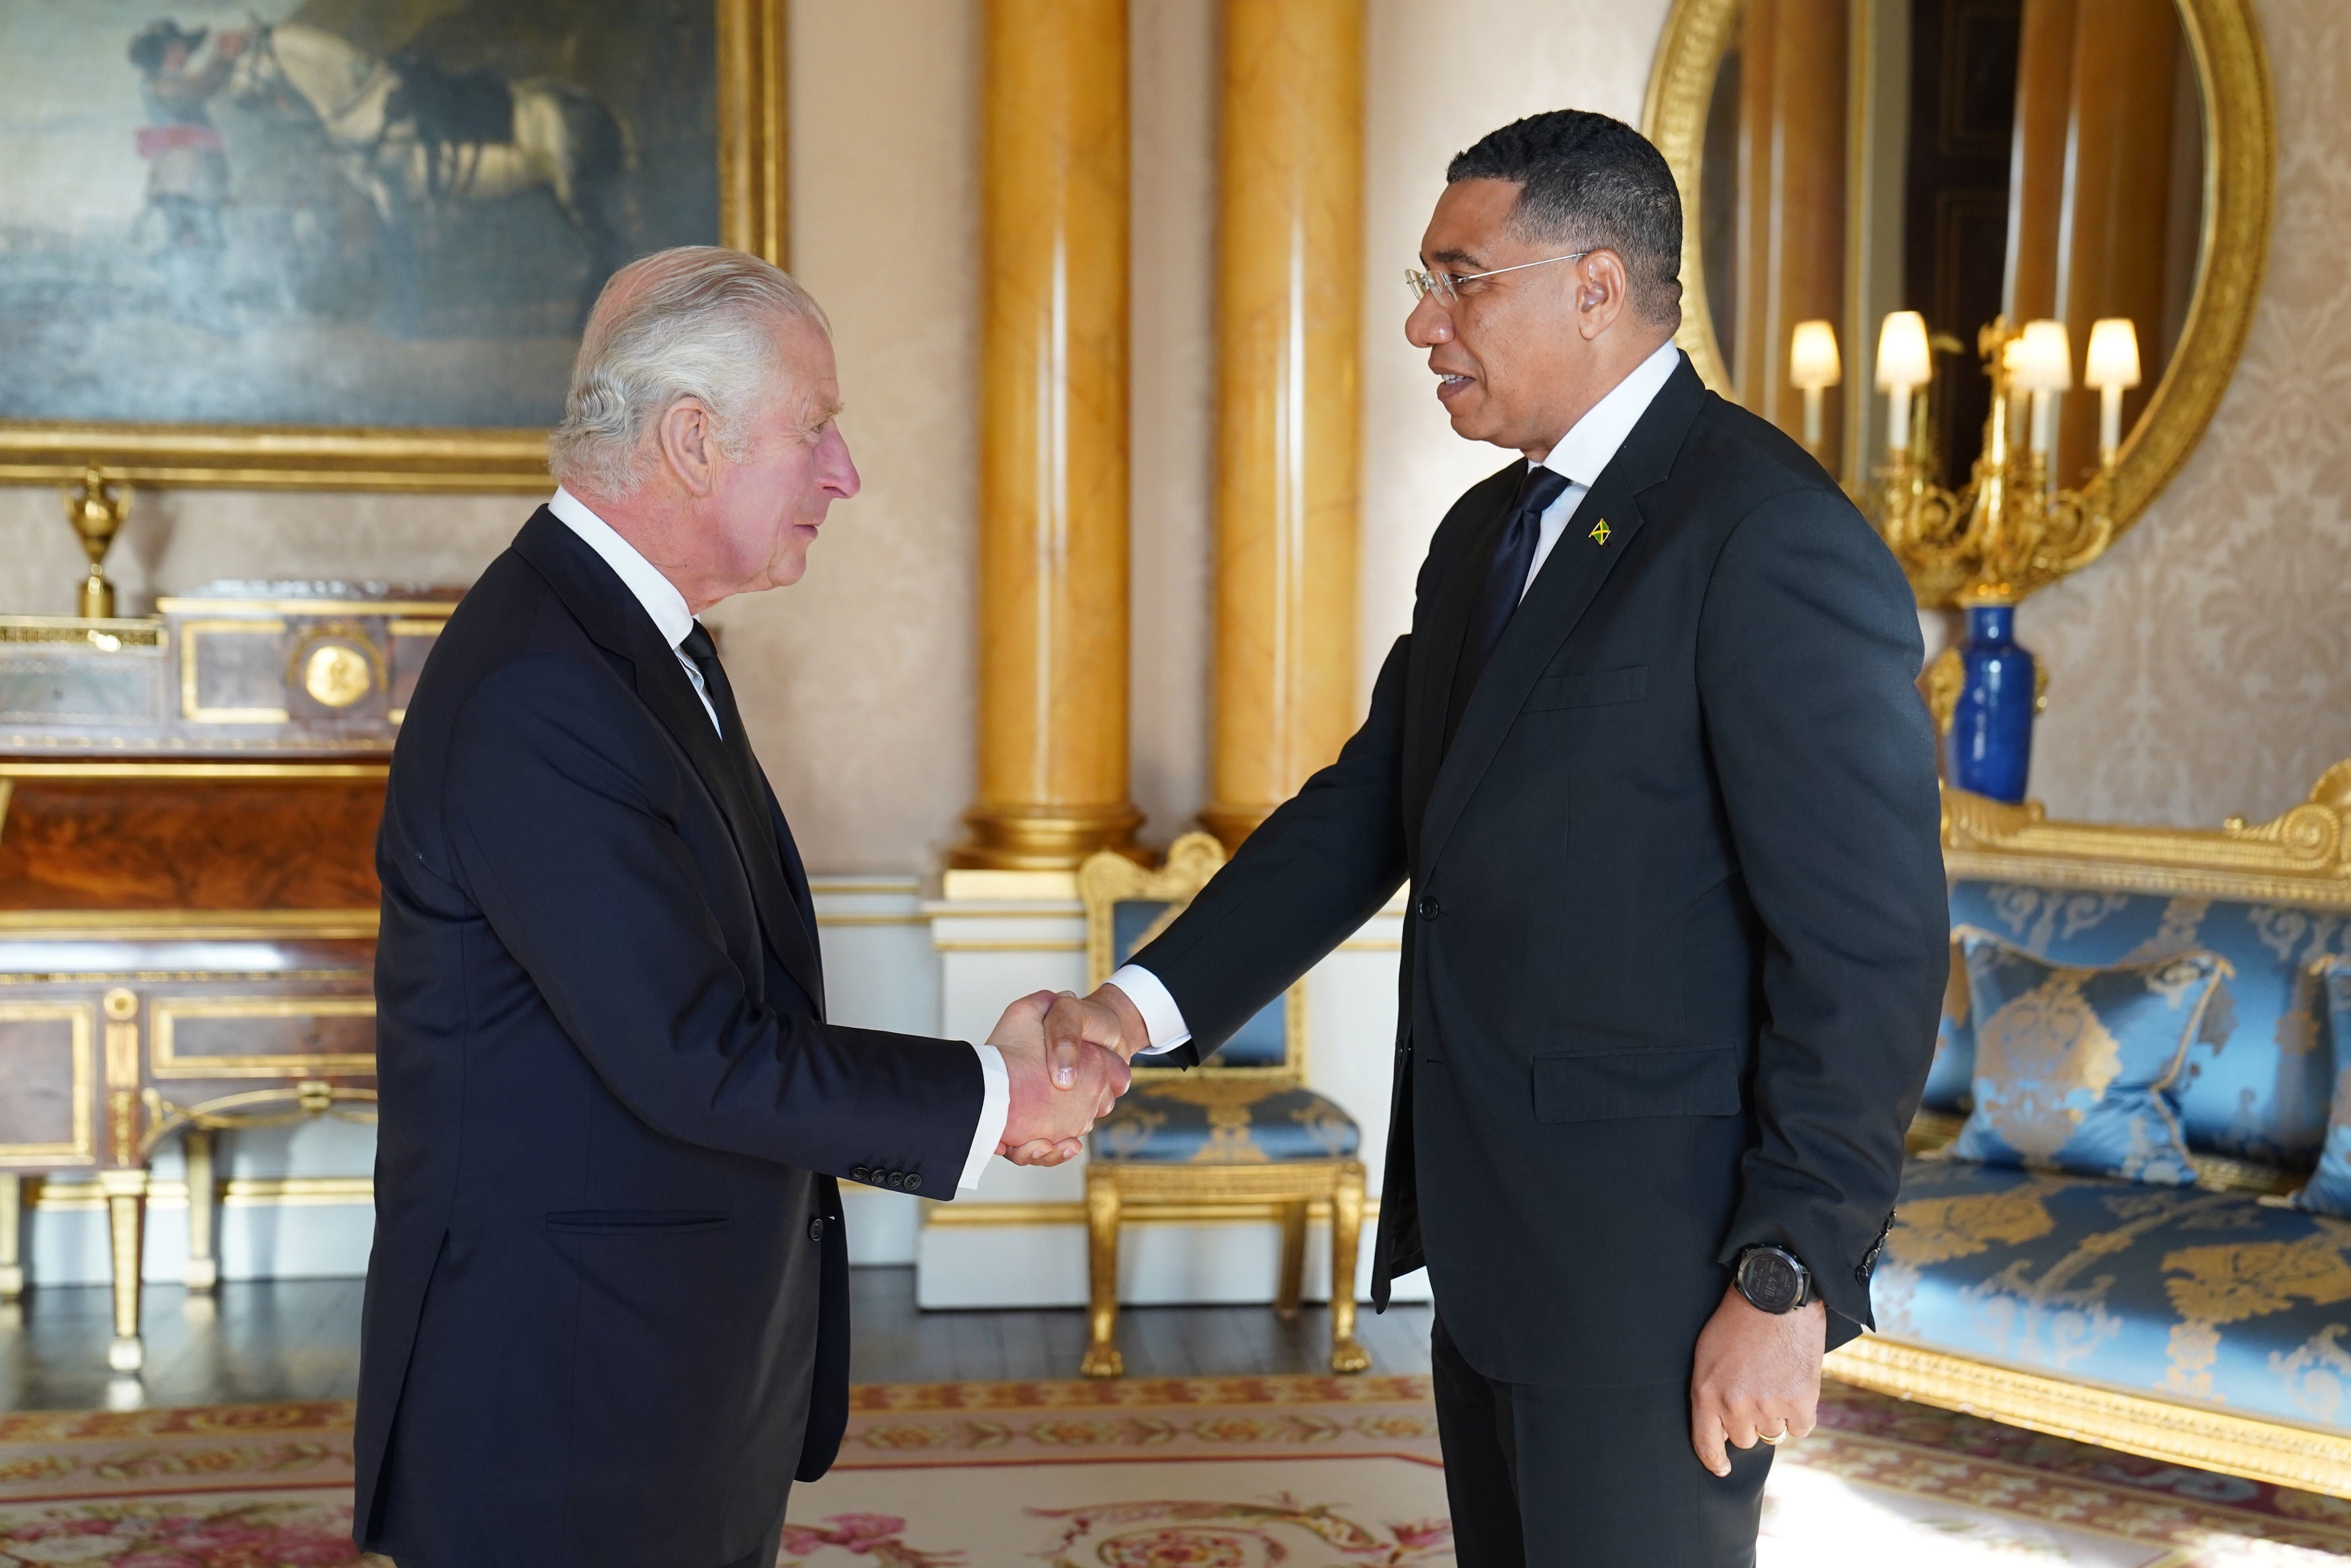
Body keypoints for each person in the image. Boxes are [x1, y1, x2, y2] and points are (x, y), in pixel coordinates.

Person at [1045, 111, 1947, 1565]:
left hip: (1665, 1272)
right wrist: (1126, 1007)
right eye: (1425, 281)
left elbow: (1871, 948)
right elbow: (1364, 812)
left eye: (1459, 280)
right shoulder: (1483, 537)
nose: (1421, 323)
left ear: (1596, 287)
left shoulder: (1766, 535)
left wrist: (1787, 1275)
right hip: (1493, 1242)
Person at [356, 247, 1128, 1568]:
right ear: (694, 439)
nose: (845, 474)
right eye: (817, 430)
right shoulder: (543, 688)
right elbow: (693, 1050)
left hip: (651, 1366)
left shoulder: (632, 641)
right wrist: (993, 1093)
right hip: (561, 1402)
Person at [127, 20, 246, 328]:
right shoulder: (162, 85)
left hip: (194, 178)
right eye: (177, 47)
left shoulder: (171, 82)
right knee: (198, 242)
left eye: (183, 47)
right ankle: (201, 310)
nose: (184, 53)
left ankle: (192, 308)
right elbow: (201, 88)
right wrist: (224, 56)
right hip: (183, 179)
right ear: (165, 52)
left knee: (201, 242)